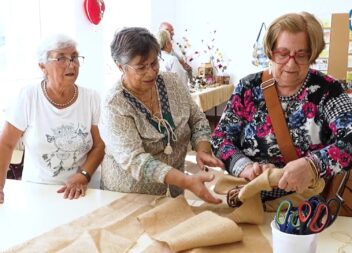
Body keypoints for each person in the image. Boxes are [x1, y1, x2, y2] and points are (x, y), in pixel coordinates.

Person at [211, 12, 352, 203]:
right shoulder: (248, 87)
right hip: (249, 200)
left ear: (313, 54)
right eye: (283, 53)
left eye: (302, 54)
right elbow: (221, 138)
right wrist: (243, 166)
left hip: (304, 204)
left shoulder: (327, 90)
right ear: (271, 51)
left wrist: (313, 165)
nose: (291, 64)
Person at [100, 27, 224, 204]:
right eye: (141, 67)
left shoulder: (171, 82)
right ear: (121, 67)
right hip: (130, 195)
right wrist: (186, 180)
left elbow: (197, 119)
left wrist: (202, 149)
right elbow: (135, 161)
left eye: (154, 63)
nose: (151, 72)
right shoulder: (115, 104)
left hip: (172, 191)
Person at [0, 34, 105, 203]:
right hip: (38, 192)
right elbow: (6, 143)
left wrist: (83, 176)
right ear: (43, 67)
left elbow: (99, 145)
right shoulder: (28, 97)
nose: (71, 64)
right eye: (61, 58)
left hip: (84, 191)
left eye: (74, 57)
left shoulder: (91, 97)